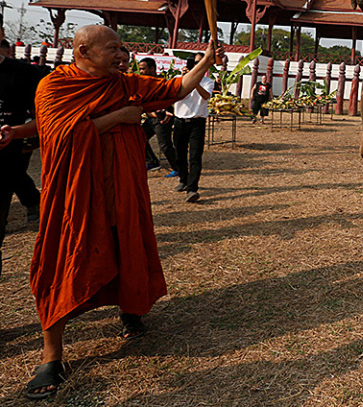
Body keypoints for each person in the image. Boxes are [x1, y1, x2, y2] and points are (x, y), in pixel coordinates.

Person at [0, 24, 223, 399]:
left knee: (124, 246)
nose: (122, 55)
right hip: (75, 193)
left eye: (122, 49)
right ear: (84, 52)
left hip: (121, 188)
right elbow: (59, 132)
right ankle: (52, 355)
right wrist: (119, 117)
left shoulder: (124, 83)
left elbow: (176, 89)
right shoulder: (54, 85)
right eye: (113, 49)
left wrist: (205, 61)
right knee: (63, 261)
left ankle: (129, 308)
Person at [0, 14, 44, 275]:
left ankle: (33, 202)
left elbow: (44, 118)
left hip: (6, 159)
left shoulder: (25, 74)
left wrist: (15, 133)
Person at [173, 56, 215, 203]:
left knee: (195, 156)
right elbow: (174, 94)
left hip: (197, 122)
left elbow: (206, 96)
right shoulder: (178, 79)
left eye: (199, 62)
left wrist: (194, 81)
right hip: (180, 120)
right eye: (194, 62)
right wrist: (185, 78)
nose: (196, 65)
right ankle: (183, 180)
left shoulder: (207, 82)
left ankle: (192, 189)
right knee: (179, 153)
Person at [138, 58, 178, 174]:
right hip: (151, 117)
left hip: (163, 118)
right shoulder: (144, 82)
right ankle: (152, 162)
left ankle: (178, 168)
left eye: (143, 69)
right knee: (139, 137)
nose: (141, 71)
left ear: (152, 69)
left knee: (165, 145)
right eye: (140, 69)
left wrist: (163, 112)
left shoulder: (161, 83)